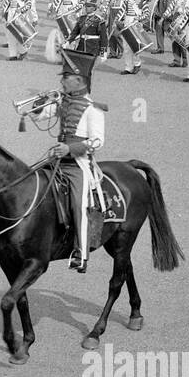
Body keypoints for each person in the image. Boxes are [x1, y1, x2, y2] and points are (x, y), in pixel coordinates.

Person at [46, 51, 107, 274]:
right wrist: (37, 106)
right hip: (58, 159)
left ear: (79, 80)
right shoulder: (64, 102)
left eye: (65, 78)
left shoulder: (94, 109)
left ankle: (81, 253)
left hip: (79, 164)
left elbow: (97, 142)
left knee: (79, 205)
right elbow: (42, 115)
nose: (61, 81)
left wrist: (71, 148)